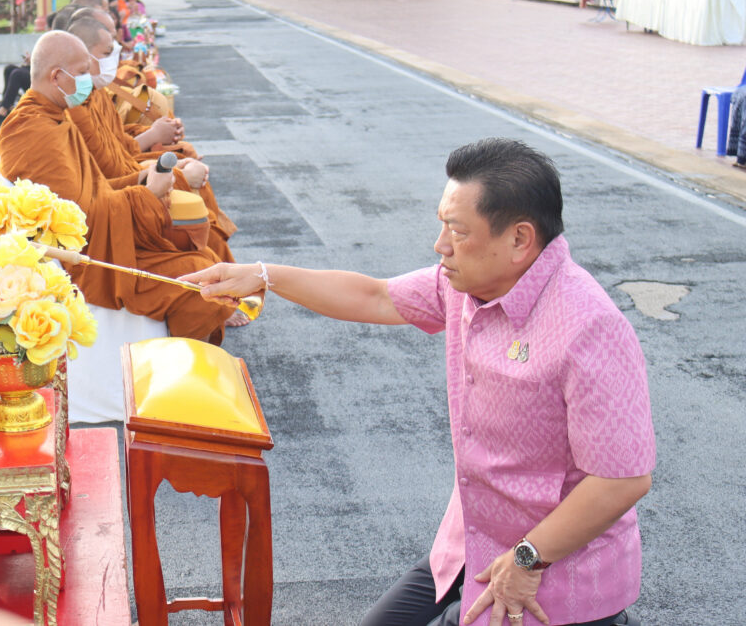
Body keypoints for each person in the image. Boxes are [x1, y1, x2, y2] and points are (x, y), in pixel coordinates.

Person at [182, 138, 655, 626]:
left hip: (546, 569)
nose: (440, 246)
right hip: (471, 543)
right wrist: (262, 276)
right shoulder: (466, 285)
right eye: (442, 224)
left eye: (457, 230)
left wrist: (528, 558)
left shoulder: (589, 327)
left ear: (519, 239)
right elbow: (377, 297)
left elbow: (622, 480)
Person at [0, 31, 236, 343]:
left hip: (107, 232)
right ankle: (174, 373)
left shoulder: (54, 114)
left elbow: (96, 184)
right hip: (89, 259)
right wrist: (148, 192)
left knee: (201, 263)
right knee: (197, 282)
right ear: (57, 77)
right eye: (82, 72)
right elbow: (81, 220)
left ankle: (190, 355)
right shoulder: (33, 129)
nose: (90, 77)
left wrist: (146, 181)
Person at [65, 17, 242, 288]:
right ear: (83, 58)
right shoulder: (69, 108)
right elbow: (107, 173)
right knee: (193, 224)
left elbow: (119, 145)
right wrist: (164, 169)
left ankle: (226, 275)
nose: (116, 54)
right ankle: (222, 280)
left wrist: (159, 135)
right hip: (119, 197)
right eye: (107, 52)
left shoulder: (94, 92)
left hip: (127, 176)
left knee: (185, 161)